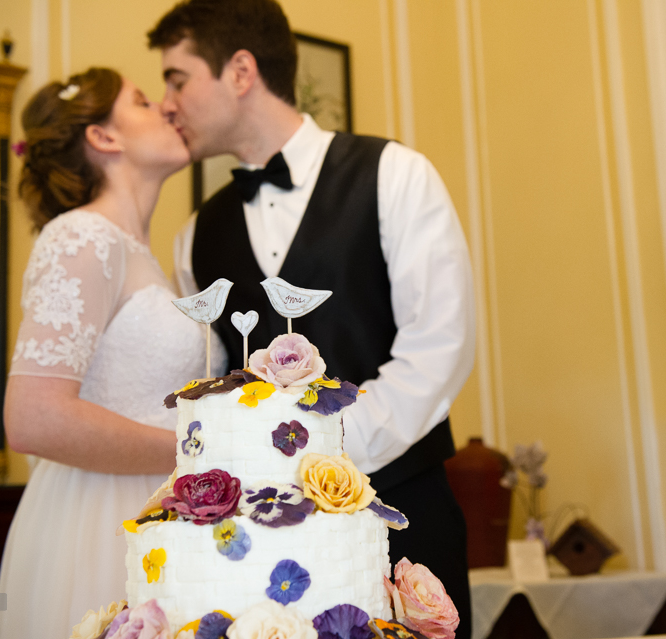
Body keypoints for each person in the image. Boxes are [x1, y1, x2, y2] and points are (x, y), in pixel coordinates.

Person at [148, 2, 476, 636]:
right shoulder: (195, 237)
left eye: (177, 78)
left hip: (406, 522)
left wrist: (320, 451)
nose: (167, 102)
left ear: (240, 70)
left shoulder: (396, 176)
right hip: (260, 552)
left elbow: (440, 349)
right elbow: (217, 385)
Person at [0, 67, 222, 639]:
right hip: (99, 522)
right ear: (103, 137)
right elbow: (33, 417)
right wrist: (197, 453)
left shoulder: (145, 253)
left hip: (158, 514)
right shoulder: (81, 237)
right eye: (143, 101)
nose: (167, 109)